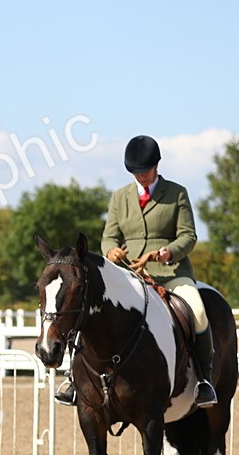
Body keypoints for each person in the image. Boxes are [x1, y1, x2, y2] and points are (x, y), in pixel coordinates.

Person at [55, 135, 217, 408]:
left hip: (170, 272)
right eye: (136, 173)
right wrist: (111, 252)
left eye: (145, 172)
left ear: (156, 167)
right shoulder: (120, 197)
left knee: (198, 312)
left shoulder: (176, 193)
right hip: (130, 276)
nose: (141, 177)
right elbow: (109, 237)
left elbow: (188, 235)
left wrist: (167, 252)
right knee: (92, 311)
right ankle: (74, 377)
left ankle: (204, 381)